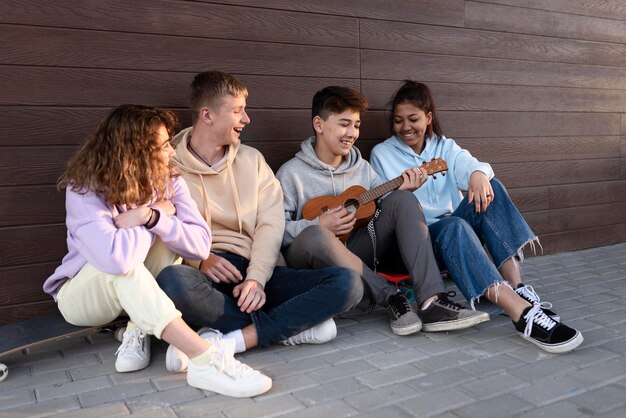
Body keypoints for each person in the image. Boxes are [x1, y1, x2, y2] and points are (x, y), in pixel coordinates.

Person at [43, 104, 272, 397]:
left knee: (166, 235)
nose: (172, 151)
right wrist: (155, 216)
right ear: (135, 151)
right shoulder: (85, 190)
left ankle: (139, 325)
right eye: (164, 145)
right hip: (82, 297)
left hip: (129, 285)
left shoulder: (168, 180)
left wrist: (149, 216)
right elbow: (118, 260)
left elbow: (201, 245)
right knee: (126, 269)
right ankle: (206, 359)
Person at [155, 71, 362, 369]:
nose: (246, 119)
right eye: (238, 111)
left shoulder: (252, 160)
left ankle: (228, 340)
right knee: (171, 282)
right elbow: (163, 229)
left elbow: (271, 224)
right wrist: (200, 260)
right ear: (207, 115)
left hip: (260, 272)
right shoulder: (169, 165)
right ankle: (291, 328)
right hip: (206, 276)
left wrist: (256, 278)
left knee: (347, 283)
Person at [369, 80, 584, 353]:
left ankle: (518, 288)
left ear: (429, 117)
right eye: (398, 121)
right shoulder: (382, 154)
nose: (405, 127)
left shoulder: (444, 147)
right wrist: (404, 191)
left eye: (413, 119)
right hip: (418, 244)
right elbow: (382, 211)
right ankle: (521, 314)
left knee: (492, 187)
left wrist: (478, 175)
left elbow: (471, 164)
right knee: (453, 225)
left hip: (454, 229)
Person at [275, 85, 488, 336]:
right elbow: (275, 230)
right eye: (344, 124)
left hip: (356, 250)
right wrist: (318, 225)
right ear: (319, 124)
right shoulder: (291, 174)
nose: (352, 133)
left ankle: (432, 302)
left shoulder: (362, 169)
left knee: (401, 200)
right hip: (311, 258)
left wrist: (406, 190)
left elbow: (388, 204)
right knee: (316, 235)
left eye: (356, 125)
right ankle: (391, 295)